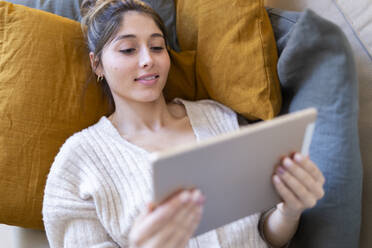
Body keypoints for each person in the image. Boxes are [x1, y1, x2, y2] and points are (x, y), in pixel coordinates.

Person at [42, 0, 325, 247]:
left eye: (156, 46)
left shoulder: (219, 118)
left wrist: (289, 211)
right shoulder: (77, 164)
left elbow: (266, 233)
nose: (147, 60)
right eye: (128, 49)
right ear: (97, 65)